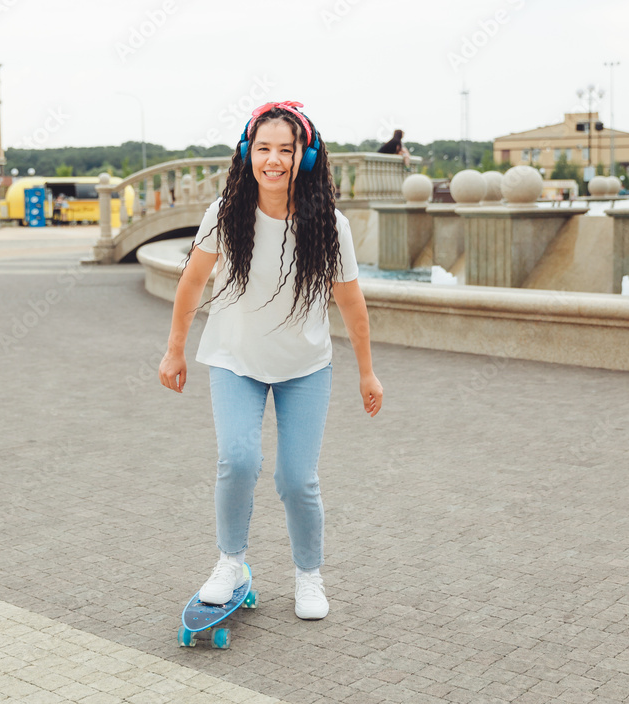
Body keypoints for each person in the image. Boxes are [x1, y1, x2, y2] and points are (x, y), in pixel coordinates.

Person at [158, 101, 383, 620]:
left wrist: (367, 371)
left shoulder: (329, 225)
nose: (274, 159)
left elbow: (351, 303)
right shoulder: (225, 214)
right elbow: (192, 281)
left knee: (295, 478)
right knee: (238, 460)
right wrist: (175, 349)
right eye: (264, 149)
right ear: (247, 154)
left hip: (306, 367)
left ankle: (309, 576)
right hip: (235, 361)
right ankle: (230, 562)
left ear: (304, 157)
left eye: (286, 149)